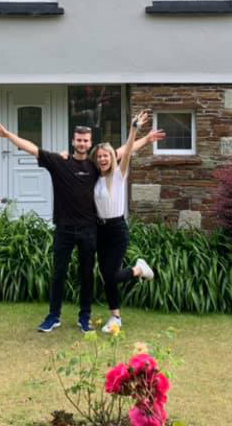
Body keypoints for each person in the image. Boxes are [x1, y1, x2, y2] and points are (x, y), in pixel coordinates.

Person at [0, 118, 162, 333]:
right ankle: (53, 316)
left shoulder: (96, 165)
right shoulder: (60, 162)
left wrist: (145, 138)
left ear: (90, 143)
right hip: (64, 229)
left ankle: (84, 317)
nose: (81, 143)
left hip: (89, 230)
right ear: (73, 141)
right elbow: (32, 148)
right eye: (78, 140)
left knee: (86, 274)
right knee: (59, 273)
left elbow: (124, 151)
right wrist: (8, 135)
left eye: (85, 140)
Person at [93, 111, 155, 334]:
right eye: (99, 156)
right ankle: (115, 318)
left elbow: (126, 151)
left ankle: (139, 269)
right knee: (107, 277)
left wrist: (134, 130)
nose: (102, 159)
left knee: (112, 275)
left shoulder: (118, 175)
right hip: (100, 231)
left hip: (117, 229)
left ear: (112, 157)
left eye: (106, 155)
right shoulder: (94, 179)